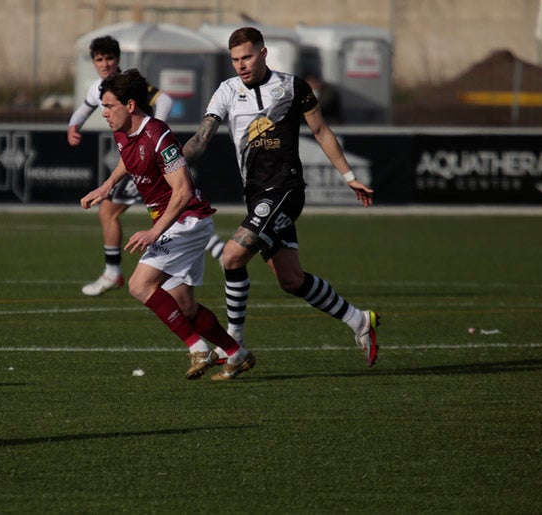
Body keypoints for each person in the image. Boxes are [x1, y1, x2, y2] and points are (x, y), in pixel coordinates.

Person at [183, 27, 380, 367]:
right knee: (291, 280)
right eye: (235, 60)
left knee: (231, 257)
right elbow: (202, 138)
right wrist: (173, 161)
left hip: (286, 190)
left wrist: (349, 176)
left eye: (246, 57)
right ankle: (359, 320)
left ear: (263, 52)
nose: (240, 65)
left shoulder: (292, 87)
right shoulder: (226, 91)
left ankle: (234, 345)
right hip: (256, 194)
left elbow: (320, 132)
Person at [80, 70, 254, 380]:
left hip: (187, 221)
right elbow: (126, 156)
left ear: (130, 105)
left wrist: (154, 231)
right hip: (175, 222)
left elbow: (184, 190)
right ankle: (236, 353)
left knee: (139, 285)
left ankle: (197, 347)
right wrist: (108, 186)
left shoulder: (159, 136)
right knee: (185, 307)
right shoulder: (122, 131)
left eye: (109, 106)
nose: (104, 113)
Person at [68, 35, 224, 296]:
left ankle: (113, 272)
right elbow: (83, 109)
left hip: (145, 156)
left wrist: (151, 135)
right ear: (93, 62)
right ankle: (216, 248)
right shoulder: (97, 89)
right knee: (169, 210)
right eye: (99, 59)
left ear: (117, 59)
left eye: (109, 58)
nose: (105, 64)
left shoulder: (127, 86)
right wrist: (73, 126)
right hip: (131, 156)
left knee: (112, 212)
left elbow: (165, 101)